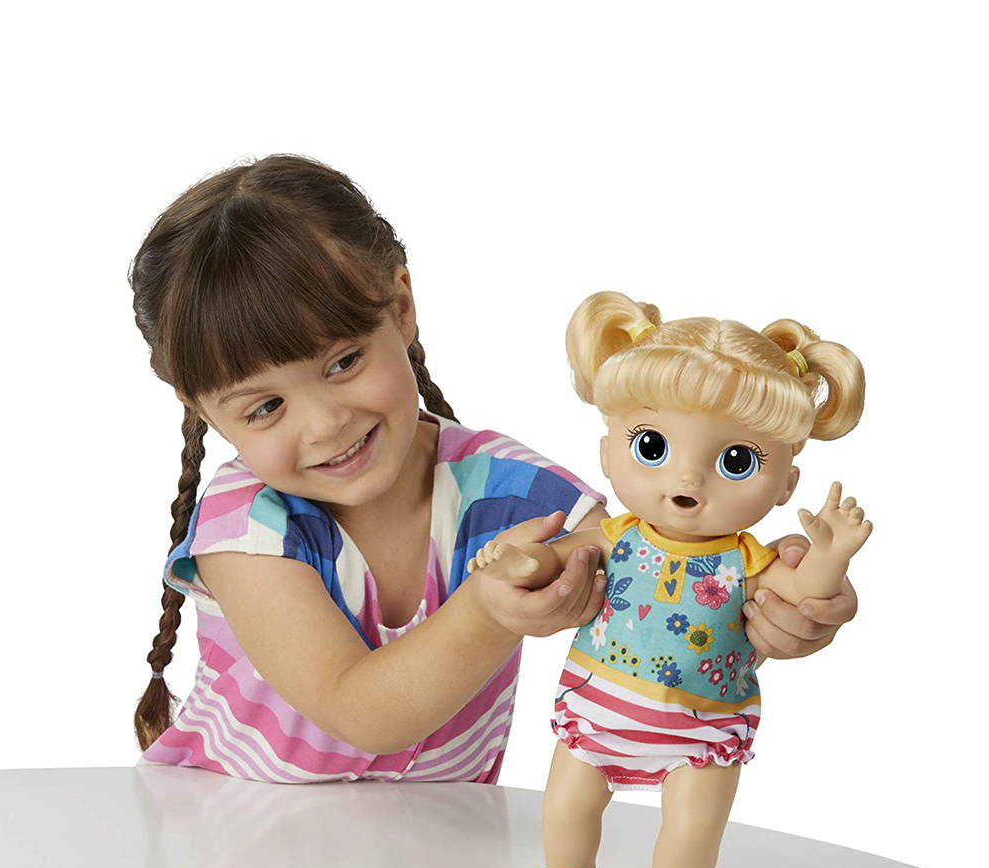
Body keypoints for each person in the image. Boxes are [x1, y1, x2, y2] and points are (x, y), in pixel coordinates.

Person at [129, 154, 857, 791]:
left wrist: (785, 604)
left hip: (433, 846)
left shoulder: (509, 490)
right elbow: (360, 711)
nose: (324, 425)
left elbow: (666, 573)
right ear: (202, 408)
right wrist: (485, 611)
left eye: (344, 362)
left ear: (402, 308)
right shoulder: (245, 525)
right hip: (230, 835)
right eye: (265, 407)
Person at [469, 290, 869, 868]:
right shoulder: (614, 534)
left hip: (703, 724)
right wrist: (515, 560)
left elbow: (804, 596)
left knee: (692, 827)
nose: (688, 477)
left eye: (736, 461)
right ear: (607, 450)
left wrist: (830, 557)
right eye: (651, 445)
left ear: (785, 484)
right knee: (566, 806)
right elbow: (554, 560)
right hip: (599, 709)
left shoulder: (749, 561)